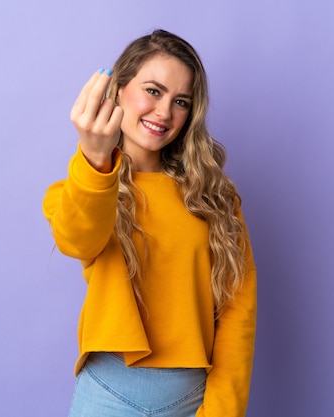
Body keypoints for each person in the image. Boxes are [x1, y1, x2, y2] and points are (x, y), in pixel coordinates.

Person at [42, 29, 257, 417]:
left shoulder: (215, 198)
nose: (164, 112)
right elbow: (78, 241)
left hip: (191, 397)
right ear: (119, 88)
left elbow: (238, 310)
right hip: (107, 392)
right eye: (153, 91)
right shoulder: (78, 188)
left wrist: (224, 410)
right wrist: (95, 161)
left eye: (180, 101)